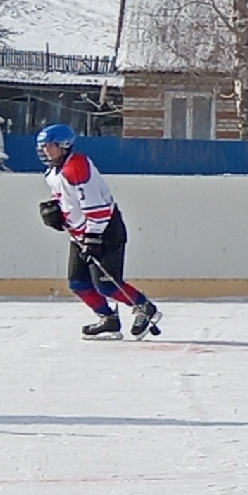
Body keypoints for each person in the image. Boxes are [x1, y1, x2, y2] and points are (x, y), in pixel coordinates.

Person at [35, 124, 161, 338]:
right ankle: (108, 319)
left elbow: (98, 208)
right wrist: (57, 213)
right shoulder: (53, 172)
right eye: (43, 146)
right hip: (81, 235)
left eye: (50, 146)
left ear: (64, 146)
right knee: (78, 282)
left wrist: (92, 238)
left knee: (106, 285)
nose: (46, 150)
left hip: (105, 232)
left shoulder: (77, 167)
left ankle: (145, 307)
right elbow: (66, 199)